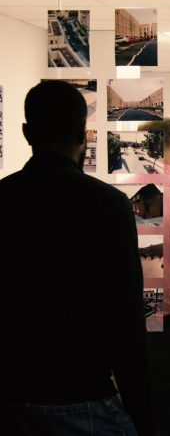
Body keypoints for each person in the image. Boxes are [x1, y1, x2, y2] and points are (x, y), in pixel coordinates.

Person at [0, 80, 154, 435]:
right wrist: (143, 417)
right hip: (84, 397)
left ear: (26, 133)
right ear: (82, 132)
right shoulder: (108, 205)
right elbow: (126, 324)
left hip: (14, 401)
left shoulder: (1, 201)